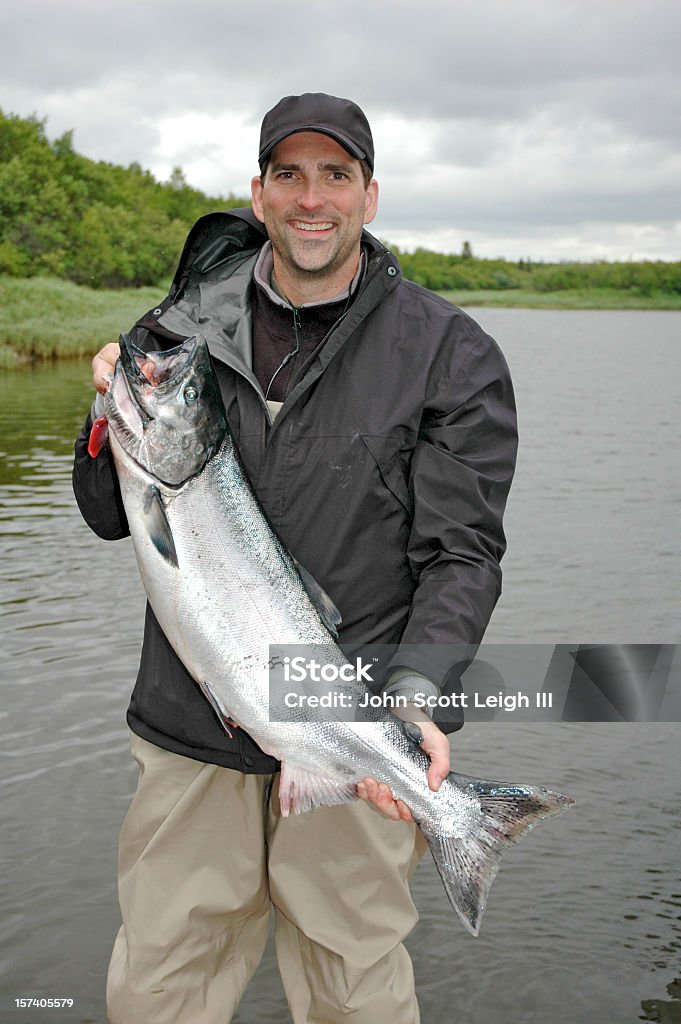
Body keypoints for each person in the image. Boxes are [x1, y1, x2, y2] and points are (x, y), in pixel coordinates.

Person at [72, 93, 517, 1024]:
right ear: (259, 193)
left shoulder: (450, 354)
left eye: (335, 176)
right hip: (189, 728)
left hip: (348, 730)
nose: (311, 199)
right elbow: (111, 517)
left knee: (355, 988)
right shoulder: (174, 336)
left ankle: (462, 821)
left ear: (370, 194)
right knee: (160, 986)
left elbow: (462, 554)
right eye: (289, 175)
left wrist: (419, 694)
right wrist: (106, 422)